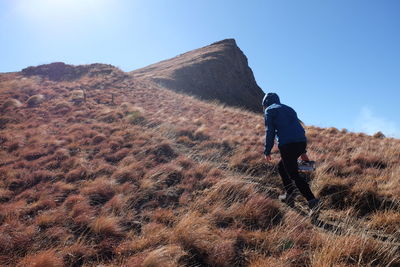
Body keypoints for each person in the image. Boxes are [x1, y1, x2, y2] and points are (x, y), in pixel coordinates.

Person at [262, 92, 320, 212]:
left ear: (266, 102)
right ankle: (289, 195)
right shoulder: (289, 109)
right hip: (301, 141)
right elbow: (297, 128)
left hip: (287, 145)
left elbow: (270, 132)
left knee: (293, 174)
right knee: (282, 167)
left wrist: (267, 151)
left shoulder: (269, 110)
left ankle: (312, 201)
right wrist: (303, 151)